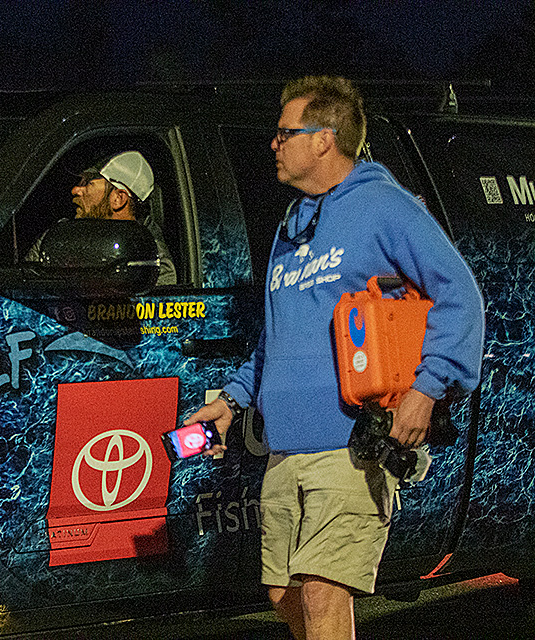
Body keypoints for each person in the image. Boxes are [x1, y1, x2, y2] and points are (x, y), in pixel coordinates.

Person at [185, 76, 484, 640]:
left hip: (351, 442)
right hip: (286, 446)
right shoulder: (292, 225)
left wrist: (426, 390)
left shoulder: (384, 207)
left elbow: (461, 295)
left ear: (324, 139)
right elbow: (278, 334)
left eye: (285, 133)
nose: (273, 143)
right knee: (284, 594)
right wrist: (233, 400)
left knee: (323, 591)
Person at [25, 150, 177, 286]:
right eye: (80, 182)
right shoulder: (60, 237)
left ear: (118, 198)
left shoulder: (154, 265)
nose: (75, 190)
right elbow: (27, 282)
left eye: (88, 182)